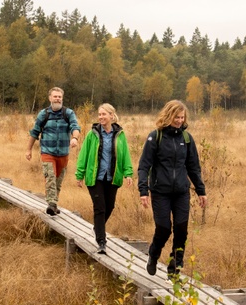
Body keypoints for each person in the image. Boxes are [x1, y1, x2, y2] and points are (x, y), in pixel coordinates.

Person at [137, 100, 207, 276]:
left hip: (181, 192)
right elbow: (144, 165)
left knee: (181, 230)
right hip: (161, 192)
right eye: (176, 117)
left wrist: (201, 191)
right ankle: (153, 254)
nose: (179, 121)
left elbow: (193, 167)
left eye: (182, 117)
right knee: (164, 228)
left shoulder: (187, 139)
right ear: (168, 116)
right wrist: (143, 191)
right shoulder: (156, 137)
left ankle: (175, 267)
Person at [75, 103, 135, 254]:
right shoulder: (92, 134)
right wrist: (79, 174)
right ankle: (101, 241)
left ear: (111, 116)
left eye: (104, 114)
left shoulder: (120, 135)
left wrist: (128, 173)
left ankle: (98, 227)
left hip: (113, 177)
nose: (101, 117)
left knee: (110, 206)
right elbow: (83, 155)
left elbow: (125, 155)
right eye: (99, 114)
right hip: (95, 178)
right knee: (100, 208)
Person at [26, 87, 81, 215]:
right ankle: (51, 204)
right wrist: (28, 150)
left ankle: (54, 205)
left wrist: (75, 138)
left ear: (62, 98)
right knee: (50, 177)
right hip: (47, 152)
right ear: (50, 98)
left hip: (63, 154)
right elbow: (35, 132)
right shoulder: (43, 114)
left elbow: (75, 126)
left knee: (57, 181)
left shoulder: (68, 113)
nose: (57, 99)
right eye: (55, 96)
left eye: (59, 97)